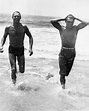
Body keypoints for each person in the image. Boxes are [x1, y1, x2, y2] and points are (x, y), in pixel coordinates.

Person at [50, 14, 89, 89]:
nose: (69, 23)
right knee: (63, 73)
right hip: (63, 52)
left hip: (72, 53)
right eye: (68, 21)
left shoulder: (76, 29)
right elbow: (52, 21)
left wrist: (76, 18)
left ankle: (53, 75)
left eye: (71, 22)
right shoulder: (61, 28)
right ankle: (63, 89)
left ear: (73, 22)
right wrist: (63, 18)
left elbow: (86, 23)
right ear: (66, 21)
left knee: (66, 73)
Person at [0, 11, 33, 84]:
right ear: (12, 17)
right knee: (13, 68)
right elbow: (4, 37)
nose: (16, 17)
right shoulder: (8, 28)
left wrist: (30, 48)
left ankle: (14, 73)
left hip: (20, 49)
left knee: (22, 70)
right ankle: (14, 85)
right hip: (12, 49)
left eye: (18, 16)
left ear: (20, 17)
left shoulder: (24, 27)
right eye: (15, 16)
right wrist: (1, 46)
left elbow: (30, 37)